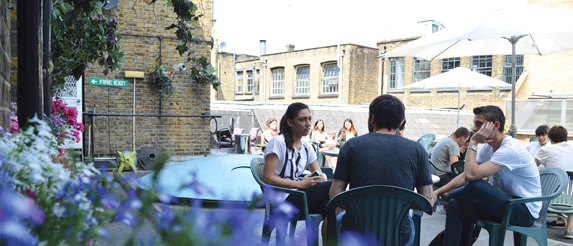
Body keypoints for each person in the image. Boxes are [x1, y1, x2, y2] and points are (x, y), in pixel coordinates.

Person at [330, 95, 434, 246]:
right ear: (401, 122)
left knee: (340, 219)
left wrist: (359, 207)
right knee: (409, 222)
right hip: (398, 236)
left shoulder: (351, 146)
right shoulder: (417, 150)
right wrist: (398, 207)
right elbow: (428, 201)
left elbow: (334, 195)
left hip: (356, 233)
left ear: (372, 118)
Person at [431, 105, 541, 246]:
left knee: (477, 185)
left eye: (479, 124)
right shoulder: (489, 148)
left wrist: (473, 142)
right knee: (455, 205)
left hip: (523, 210)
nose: (475, 129)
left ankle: (450, 196)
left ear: (495, 125)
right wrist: (438, 192)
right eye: (475, 124)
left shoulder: (510, 148)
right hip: (503, 203)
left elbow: (471, 176)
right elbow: (466, 175)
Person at [263, 103, 332, 238]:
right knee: (334, 186)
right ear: (290, 122)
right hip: (280, 201)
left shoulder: (307, 147)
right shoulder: (278, 142)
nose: (308, 124)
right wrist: (300, 185)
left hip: (298, 197)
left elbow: (319, 174)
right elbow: (267, 178)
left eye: (309, 119)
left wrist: (325, 183)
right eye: (302, 119)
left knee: (332, 206)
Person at [535, 125, 573, 237]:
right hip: (570, 200)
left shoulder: (546, 149)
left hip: (550, 197)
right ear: (566, 139)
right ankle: (570, 228)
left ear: (550, 140)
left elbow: (532, 167)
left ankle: (538, 221)